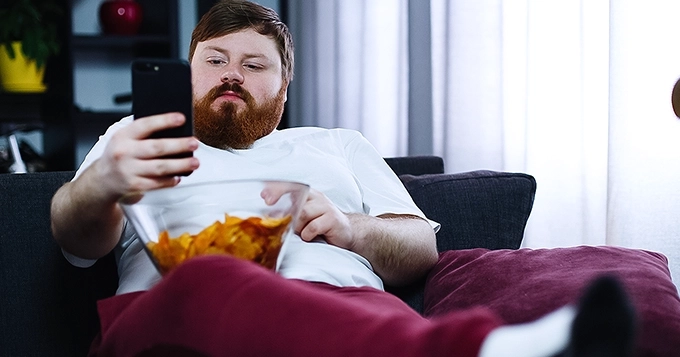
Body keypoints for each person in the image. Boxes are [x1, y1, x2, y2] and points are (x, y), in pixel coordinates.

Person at [50, 1, 635, 356]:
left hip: (353, 313)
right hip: (174, 318)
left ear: (283, 86)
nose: (232, 75)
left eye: (254, 65)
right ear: (190, 68)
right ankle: (484, 350)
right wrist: (101, 184)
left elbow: (420, 247)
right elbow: (74, 244)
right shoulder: (137, 136)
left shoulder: (336, 145)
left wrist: (351, 230)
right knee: (211, 278)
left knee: (376, 324)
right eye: (215, 60)